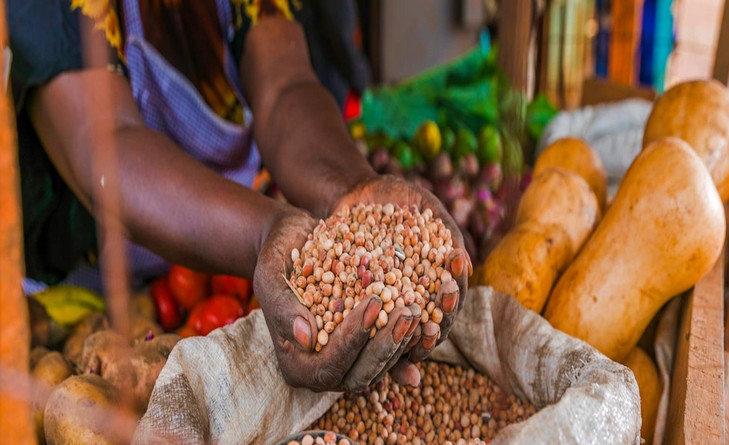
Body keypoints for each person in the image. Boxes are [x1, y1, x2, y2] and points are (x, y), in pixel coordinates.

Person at [8, 0, 471, 392]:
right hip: (70, 294)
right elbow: (105, 142)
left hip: (210, 261)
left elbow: (285, 87)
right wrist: (264, 232)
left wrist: (352, 188)